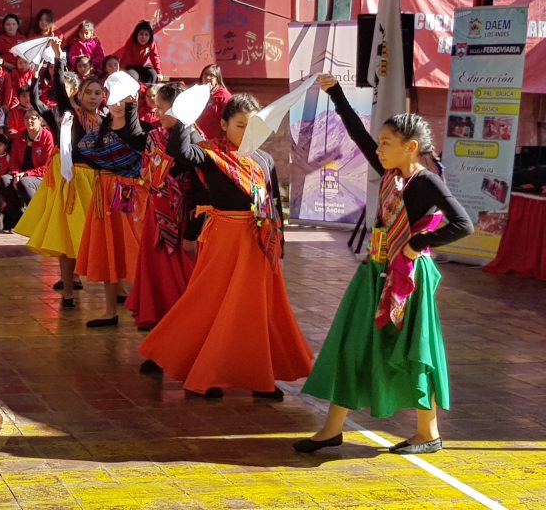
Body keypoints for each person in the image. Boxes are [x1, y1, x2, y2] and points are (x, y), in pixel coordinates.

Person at [297, 74, 474, 455]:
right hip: (375, 270)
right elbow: (358, 134)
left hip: (409, 276)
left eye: (387, 144)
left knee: (414, 347)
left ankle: (428, 433)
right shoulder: (390, 175)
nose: (378, 150)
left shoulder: (426, 182)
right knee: (351, 341)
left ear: (410, 148)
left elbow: (463, 224)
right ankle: (331, 428)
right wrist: (337, 95)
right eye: (379, 143)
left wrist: (417, 244)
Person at [139, 94, 311, 398]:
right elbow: (179, 152)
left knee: (257, 308)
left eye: (253, 125)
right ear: (224, 124)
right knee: (211, 301)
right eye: (240, 125)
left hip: (259, 242)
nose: (246, 132)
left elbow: (272, 202)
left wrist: (279, 242)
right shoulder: (211, 153)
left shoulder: (264, 159)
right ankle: (204, 370)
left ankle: (261, 377)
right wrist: (184, 117)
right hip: (225, 239)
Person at [14, 43, 94, 307]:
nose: (72, 95)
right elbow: (38, 100)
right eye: (70, 91)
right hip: (64, 175)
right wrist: (42, 69)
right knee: (64, 227)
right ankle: (69, 284)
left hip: (88, 176)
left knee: (86, 229)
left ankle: (84, 278)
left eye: (76, 91)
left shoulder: (99, 117)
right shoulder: (60, 114)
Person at [74, 79, 146, 328]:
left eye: (123, 99)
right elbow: (82, 153)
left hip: (129, 195)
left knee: (134, 248)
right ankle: (108, 311)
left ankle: (144, 310)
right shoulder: (100, 129)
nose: (116, 104)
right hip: (104, 193)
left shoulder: (139, 130)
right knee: (108, 248)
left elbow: (142, 153)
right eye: (113, 99)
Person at [126, 85, 196, 330]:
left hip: (184, 212)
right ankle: (155, 310)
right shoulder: (154, 137)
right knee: (157, 264)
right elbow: (148, 168)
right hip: (157, 209)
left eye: (163, 109)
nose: (157, 114)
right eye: (157, 108)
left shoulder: (194, 137)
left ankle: (183, 314)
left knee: (183, 265)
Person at [5, 107, 55, 212]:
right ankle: (18, 218)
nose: (29, 121)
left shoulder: (47, 136)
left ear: (40, 120)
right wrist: (16, 174)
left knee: (24, 182)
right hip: (21, 174)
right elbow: (13, 161)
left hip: (39, 175)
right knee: (4, 181)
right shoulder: (19, 136)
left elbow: (48, 166)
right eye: (26, 118)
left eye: (32, 118)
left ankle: (37, 215)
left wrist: (25, 174)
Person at [114, 20, 161, 85]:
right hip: (131, 67)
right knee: (132, 77)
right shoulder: (131, 41)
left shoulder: (151, 43)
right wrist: (119, 70)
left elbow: (154, 57)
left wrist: (159, 72)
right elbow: (126, 56)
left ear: (150, 36)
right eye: (141, 34)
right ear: (136, 34)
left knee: (152, 75)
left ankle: (147, 92)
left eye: (146, 35)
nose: (143, 37)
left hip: (145, 67)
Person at [196, 64, 232, 140]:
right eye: (205, 74)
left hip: (215, 143)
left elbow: (230, 119)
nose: (208, 78)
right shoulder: (197, 93)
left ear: (217, 79)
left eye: (211, 75)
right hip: (198, 140)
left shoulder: (223, 96)